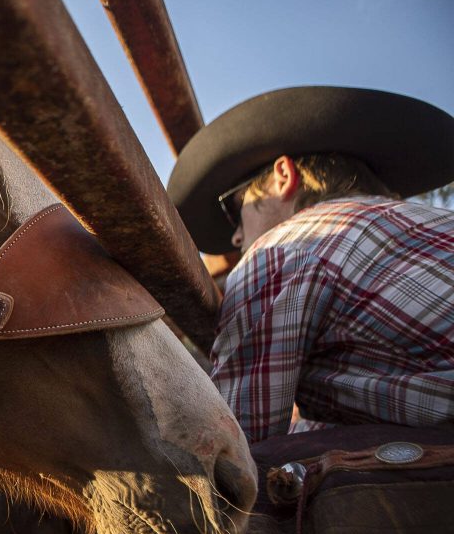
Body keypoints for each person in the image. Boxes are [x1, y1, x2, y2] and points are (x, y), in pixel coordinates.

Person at [167, 86, 454, 444]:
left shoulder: (283, 247)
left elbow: (236, 442)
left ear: (283, 177)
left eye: (234, 210)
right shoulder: (427, 222)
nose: (238, 238)